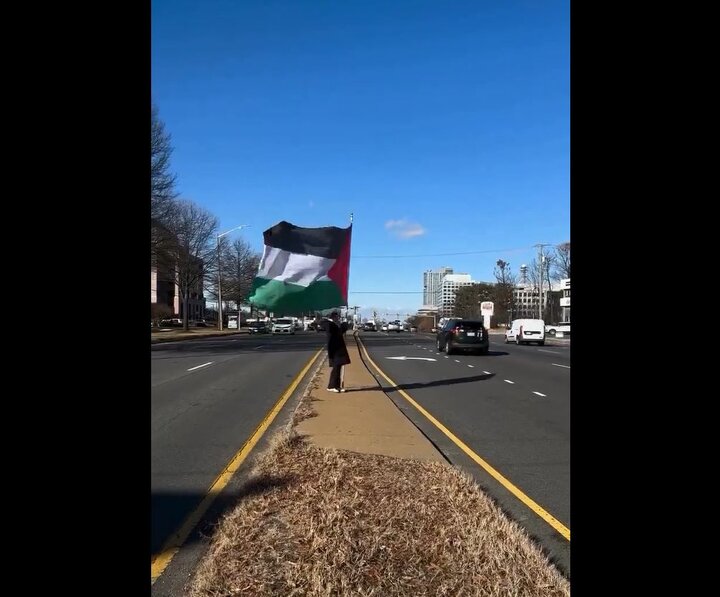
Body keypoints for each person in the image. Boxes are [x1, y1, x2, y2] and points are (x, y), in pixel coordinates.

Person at [326, 311, 350, 392]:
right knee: (336, 367)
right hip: (334, 349)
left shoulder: (336, 325)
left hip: (339, 348)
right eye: (336, 317)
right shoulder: (330, 325)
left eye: (338, 317)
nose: (338, 318)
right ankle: (331, 386)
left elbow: (341, 330)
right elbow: (335, 332)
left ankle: (337, 386)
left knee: (338, 367)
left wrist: (344, 324)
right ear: (332, 317)